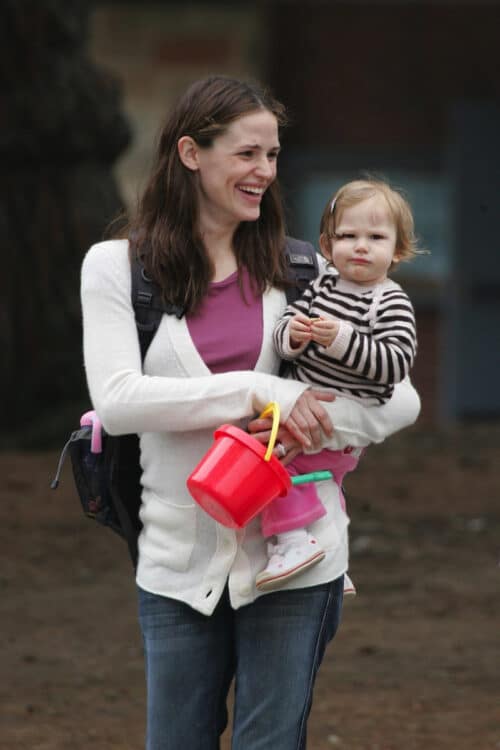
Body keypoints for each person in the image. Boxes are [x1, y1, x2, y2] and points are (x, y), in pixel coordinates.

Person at [80, 76, 420, 750]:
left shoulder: (304, 268)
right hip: (178, 560)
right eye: (246, 154)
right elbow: (118, 402)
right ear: (189, 152)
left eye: (272, 155)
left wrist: (305, 419)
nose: (264, 171)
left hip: (298, 557)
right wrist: (262, 394)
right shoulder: (117, 268)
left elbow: (400, 398)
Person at [256, 178, 420, 592]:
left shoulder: (390, 301)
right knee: (321, 484)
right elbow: (281, 335)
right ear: (327, 247)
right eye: (347, 236)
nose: (360, 246)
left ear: (397, 250)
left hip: (341, 418)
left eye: (375, 237)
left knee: (275, 469)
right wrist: (292, 335)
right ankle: (331, 557)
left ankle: (293, 543)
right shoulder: (321, 286)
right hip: (306, 402)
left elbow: (394, 365)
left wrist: (342, 339)